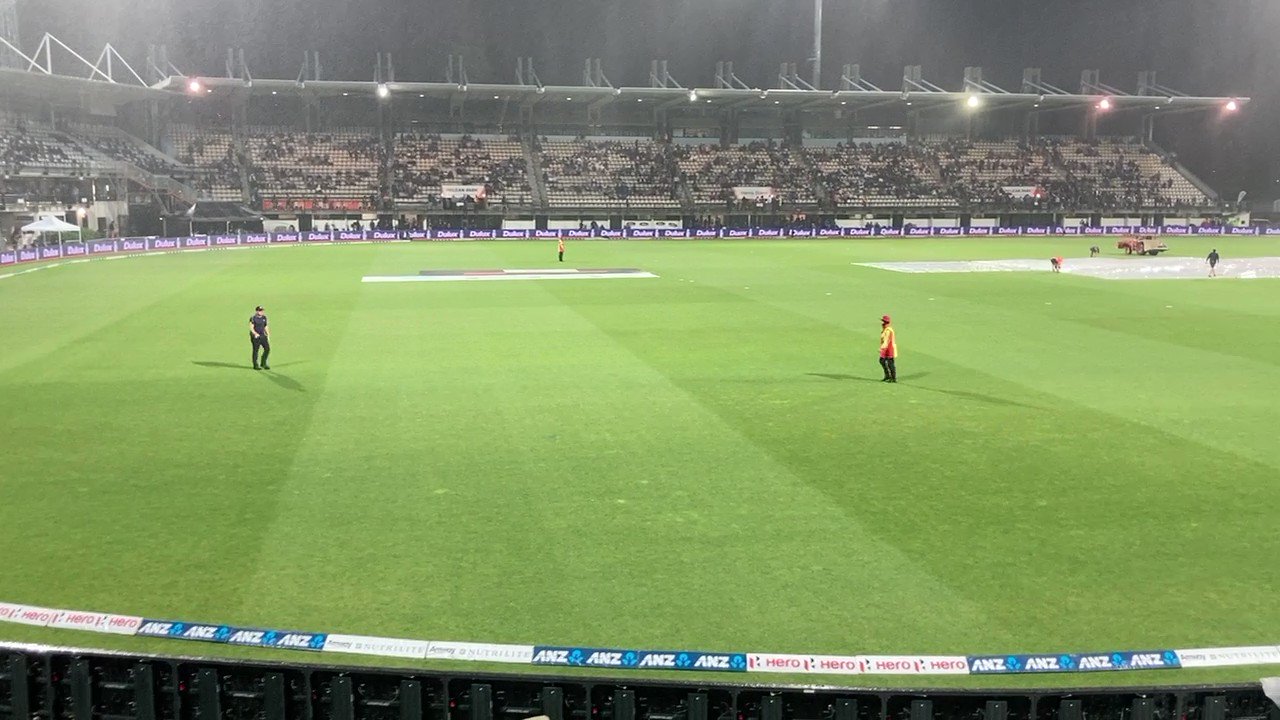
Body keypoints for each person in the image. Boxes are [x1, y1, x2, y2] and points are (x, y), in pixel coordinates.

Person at [249, 306, 270, 370]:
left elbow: (265, 326)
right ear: (257, 311)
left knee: (267, 349)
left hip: (263, 336)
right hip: (255, 337)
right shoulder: (253, 318)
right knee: (256, 350)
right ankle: (255, 365)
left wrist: (268, 334)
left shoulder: (264, 318)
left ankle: (263, 363)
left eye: (262, 311)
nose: (261, 312)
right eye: (260, 311)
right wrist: (255, 334)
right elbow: (251, 327)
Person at [879, 315, 897, 383]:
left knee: (890, 363)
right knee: (882, 361)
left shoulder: (888, 330)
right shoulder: (885, 330)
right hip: (886, 348)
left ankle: (893, 377)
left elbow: (886, 341)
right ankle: (887, 376)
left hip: (889, 349)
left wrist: (882, 348)